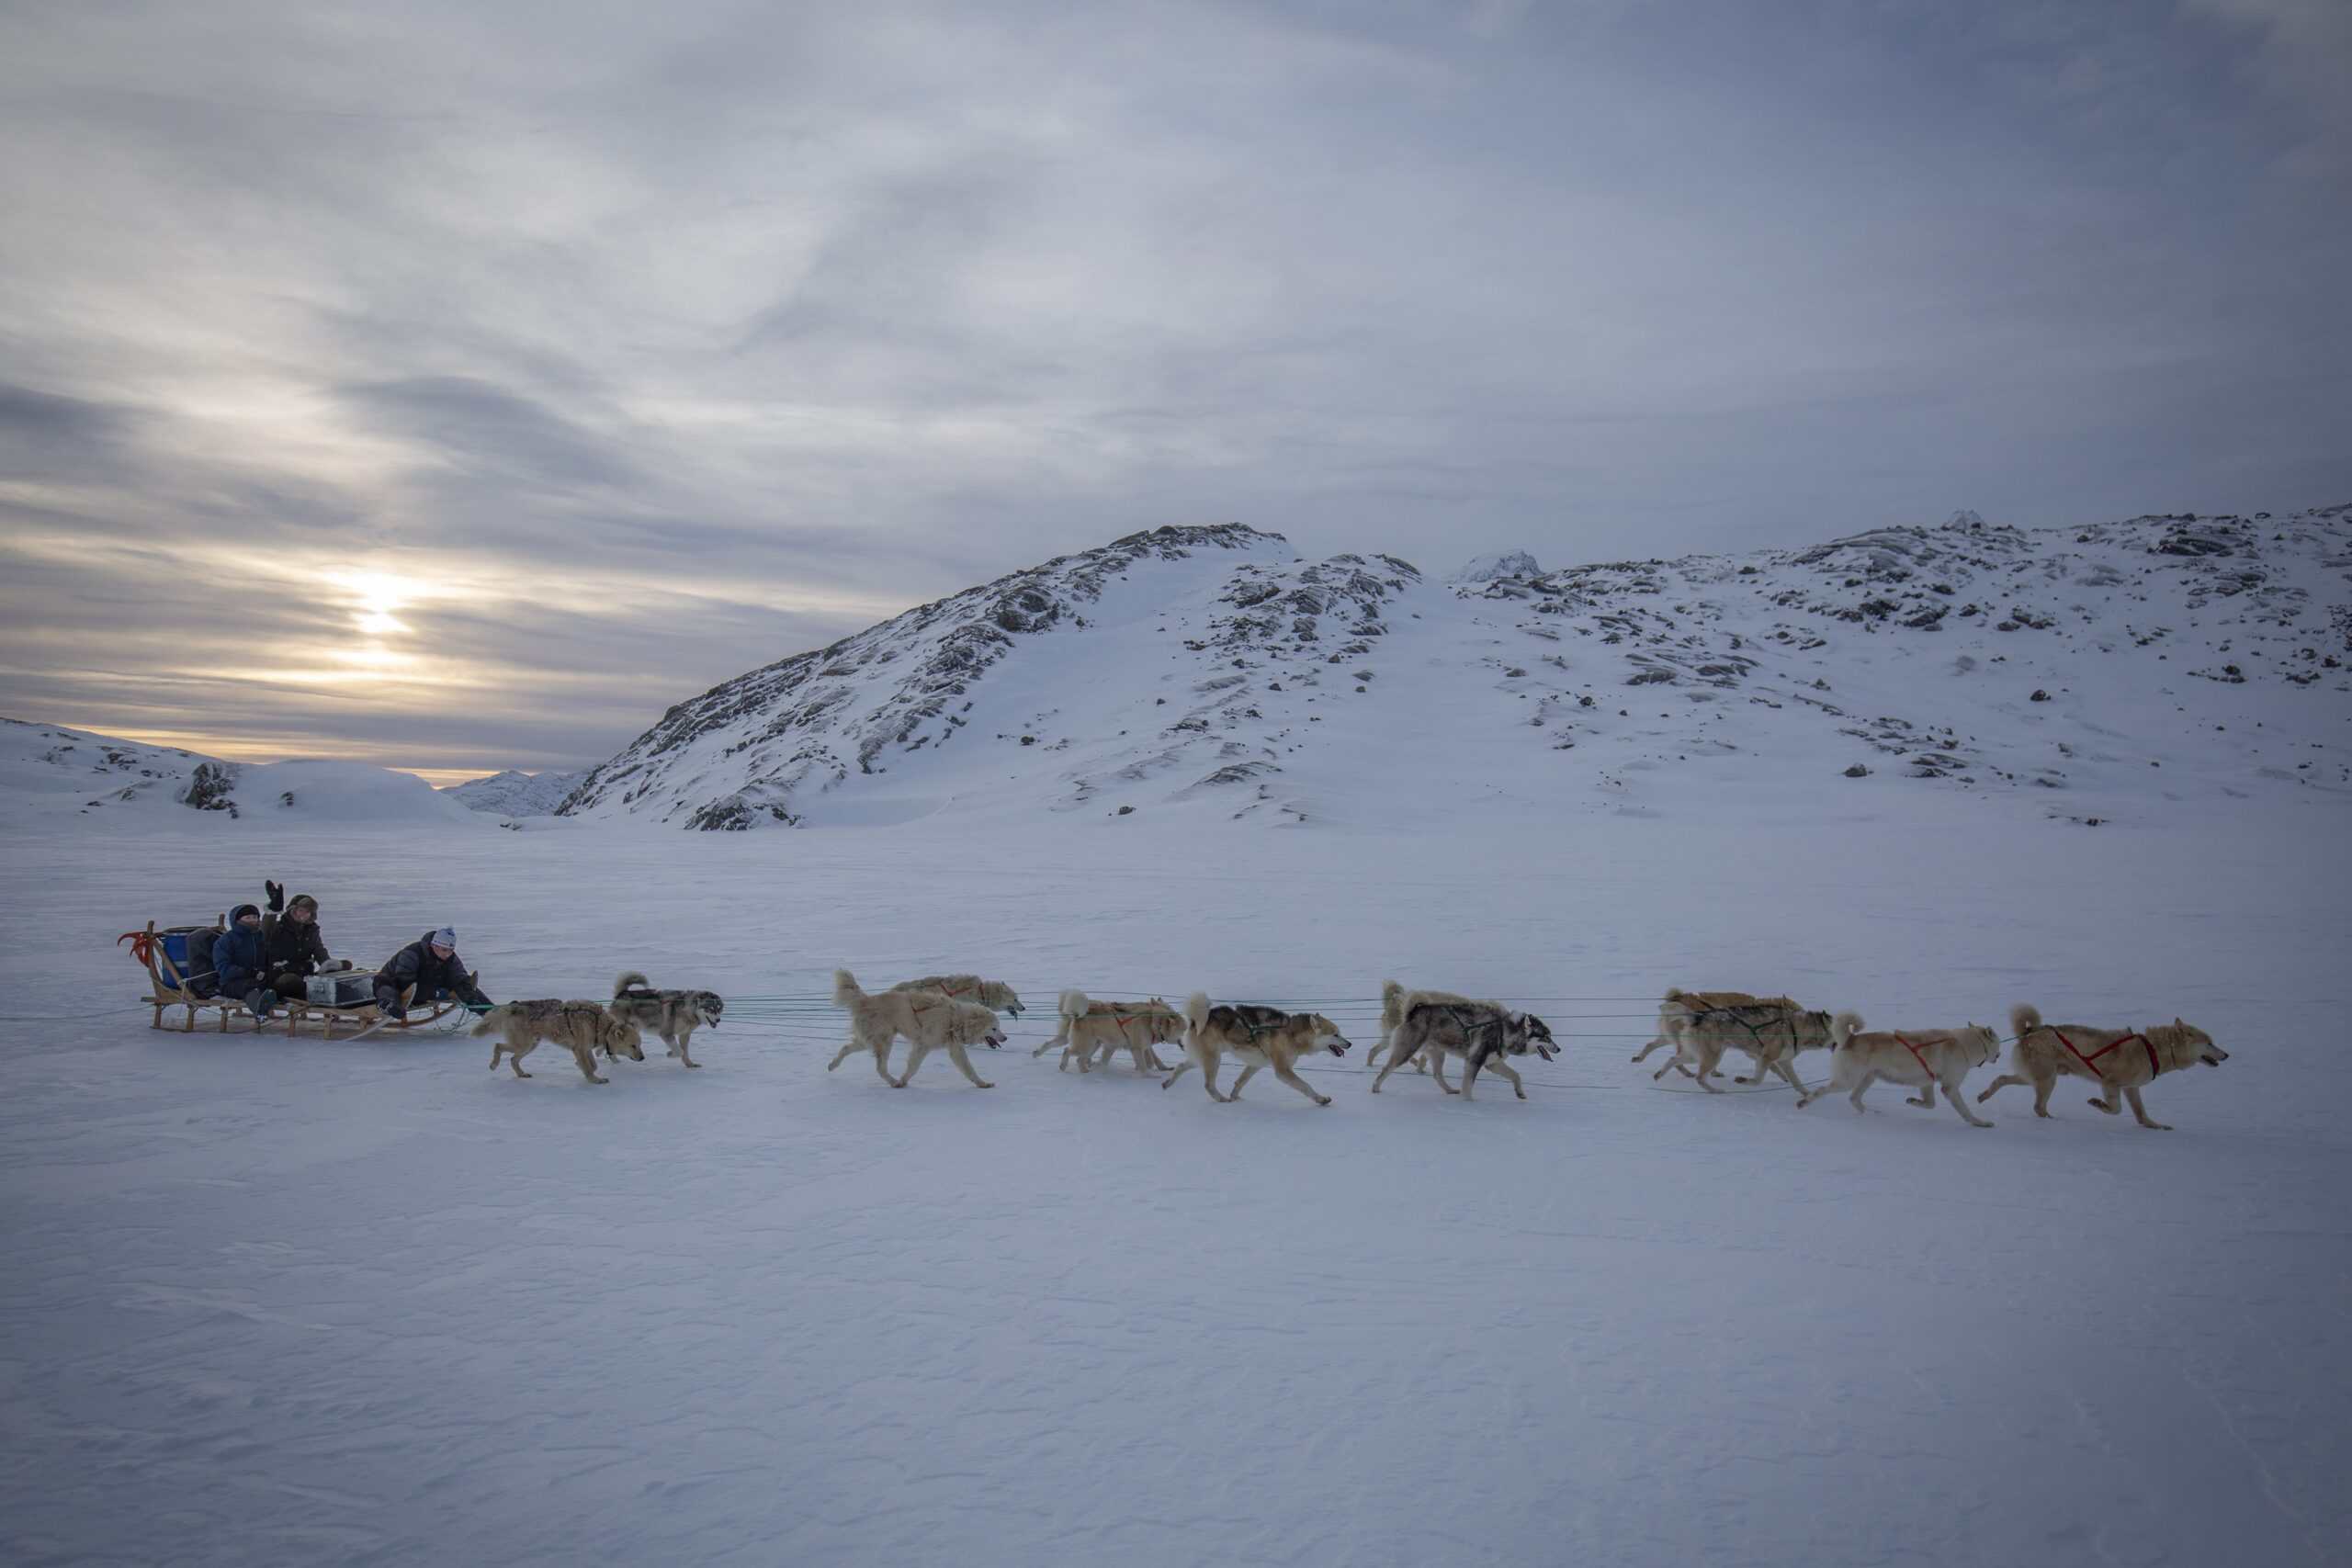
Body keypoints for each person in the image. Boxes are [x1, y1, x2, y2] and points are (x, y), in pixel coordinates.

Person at [374, 926, 492, 1021]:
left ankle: (492, 1013)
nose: (448, 954)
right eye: (444, 950)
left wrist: (471, 999)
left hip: (428, 985)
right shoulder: (411, 954)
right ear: (433, 945)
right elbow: (405, 983)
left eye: (451, 950)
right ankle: (388, 1006)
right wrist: (436, 993)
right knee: (387, 988)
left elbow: (459, 978)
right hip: (396, 983)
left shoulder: (451, 959)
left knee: (467, 985)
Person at [260, 882, 333, 1002]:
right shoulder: (278, 927)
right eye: (301, 910)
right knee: (290, 980)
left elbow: (319, 950)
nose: (304, 915)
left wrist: (329, 966)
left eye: (308, 912)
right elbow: (265, 930)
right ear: (292, 910)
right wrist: (274, 909)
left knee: (344, 966)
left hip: (305, 975)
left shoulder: (312, 930)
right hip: (279, 977)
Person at [212, 904, 275, 1021]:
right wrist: (248, 972)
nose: (253, 920)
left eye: (255, 917)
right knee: (250, 986)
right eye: (248, 918)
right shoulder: (227, 940)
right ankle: (260, 1011)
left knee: (276, 982)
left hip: (257, 978)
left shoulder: (260, 937)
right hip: (231, 983)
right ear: (237, 920)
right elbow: (223, 968)